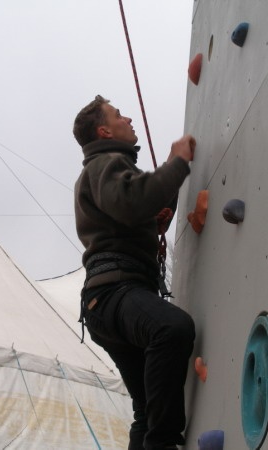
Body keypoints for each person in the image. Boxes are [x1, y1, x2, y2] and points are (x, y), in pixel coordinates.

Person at [73, 95, 196, 450]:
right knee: (172, 328)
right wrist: (177, 162)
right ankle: (164, 444)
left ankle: (155, 438)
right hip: (117, 292)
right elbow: (132, 202)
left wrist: (153, 215)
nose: (127, 119)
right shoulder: (105, 163)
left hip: (104, 302)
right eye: (118, 115)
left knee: (145, 410)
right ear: (104, 131)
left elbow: (133, 205)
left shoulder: (104, 171)